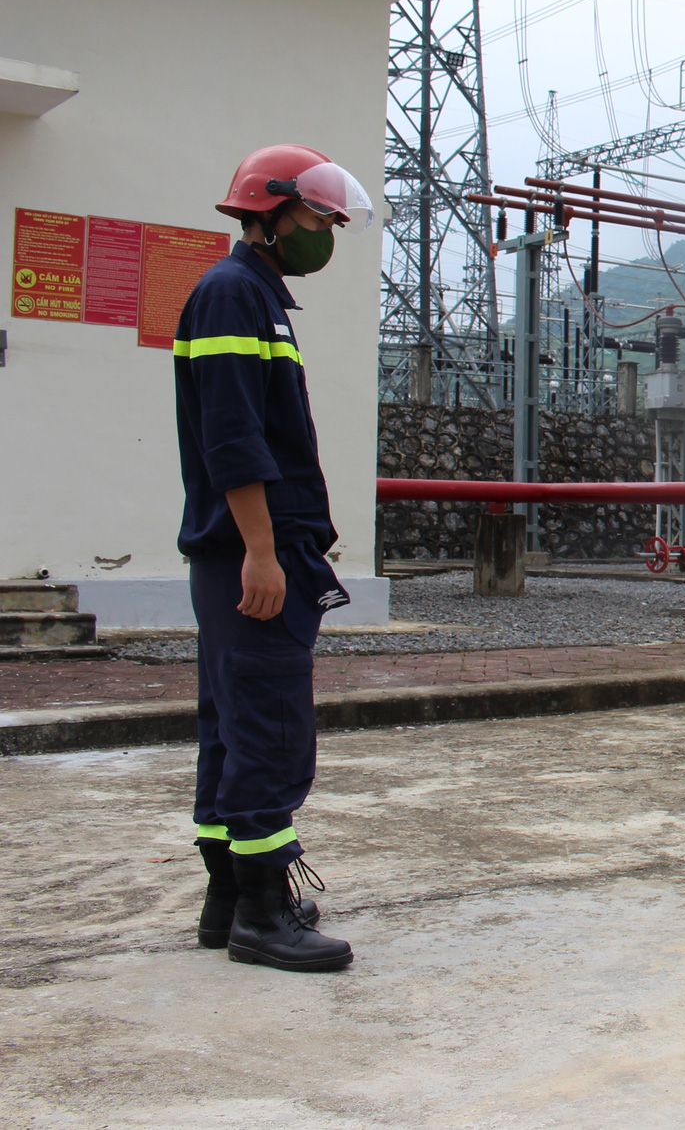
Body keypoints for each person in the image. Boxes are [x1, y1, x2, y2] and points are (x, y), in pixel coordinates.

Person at [179, 144, 376, 972]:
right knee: (271, 729)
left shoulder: (253, 296)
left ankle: (230, 896)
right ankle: (265, 911)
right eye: (319, 218)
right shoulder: (234, 296)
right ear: (269, 213)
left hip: (251, 551)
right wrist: (261, 549)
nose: (327, 232)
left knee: (232, 725)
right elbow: (235, 439)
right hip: (253, 554)